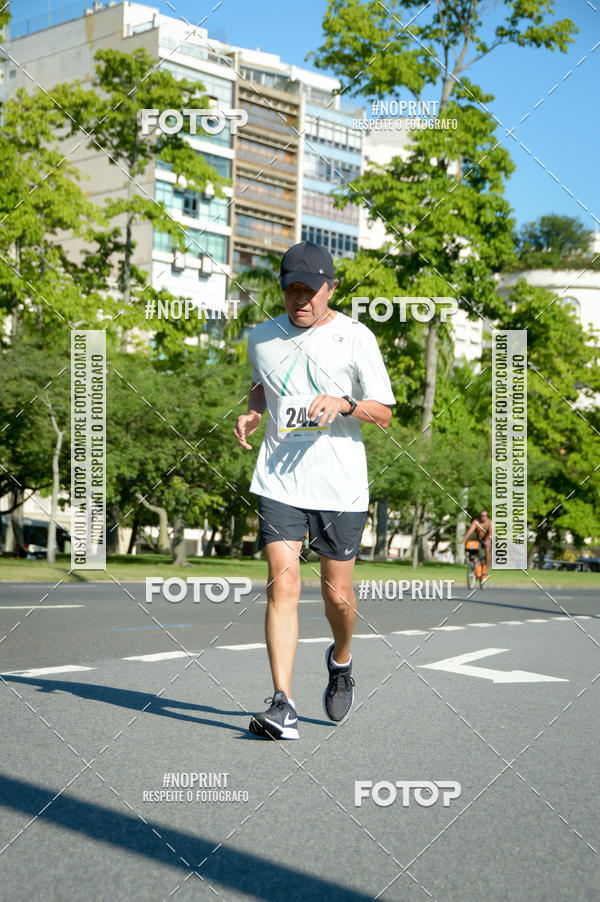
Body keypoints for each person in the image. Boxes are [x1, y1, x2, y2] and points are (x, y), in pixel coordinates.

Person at [233, 240, 395, 740]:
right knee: (282, 583)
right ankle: (282, 703)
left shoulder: (356, 337)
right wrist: (255, 409)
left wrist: (345, 404)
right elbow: (265, 381)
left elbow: (384, 413)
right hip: (280, 479)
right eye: (291, 290)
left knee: (337, 597)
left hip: (339, 485)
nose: (300, 299)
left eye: (310, 290)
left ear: (331, 288)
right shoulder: (260, 337)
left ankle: (341, 661)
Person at [463, 510, 493, 575]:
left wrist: (487, 540)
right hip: (478, 540)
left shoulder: (490, 522)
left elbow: (491, 533)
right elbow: (470, 531)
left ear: (487, 516)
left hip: (488, 540)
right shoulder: (476, 522)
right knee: (470, 547)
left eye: (485, 516)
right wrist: (464, 539)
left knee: (487, 548)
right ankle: (473, 561)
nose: (483, 517)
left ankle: (486, 569)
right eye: (482, 516)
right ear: (480, 516)